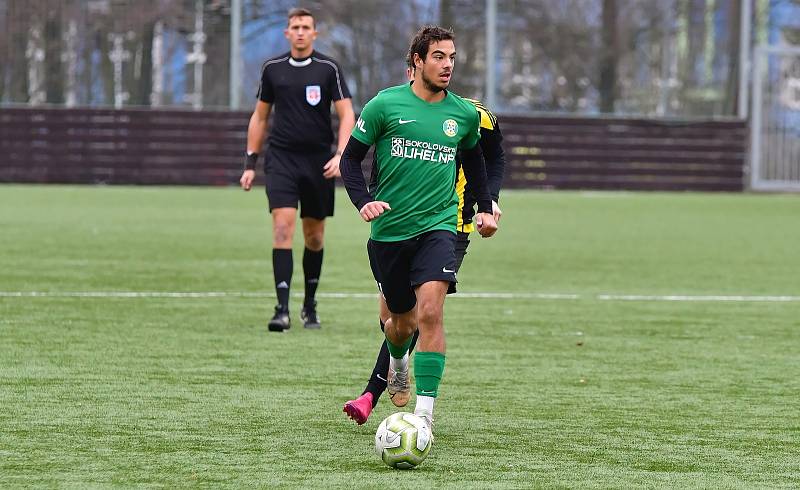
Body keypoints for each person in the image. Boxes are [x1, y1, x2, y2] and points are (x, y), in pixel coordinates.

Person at [339, 25, 498, 433]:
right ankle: (396, 362)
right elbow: (349, 161)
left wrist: (484, 208)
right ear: (417, 62)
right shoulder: (384, 106)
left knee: (430, 311)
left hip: (440, 225)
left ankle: (424, 417)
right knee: (400, 323)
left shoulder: (462, 113)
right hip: (389, 232)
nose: (448, 66)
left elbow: (476, 163)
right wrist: (363, 201)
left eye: (451, 58)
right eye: (439, 57)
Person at [239, 8, 355, 331]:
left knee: (314, 236)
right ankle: (281, 310)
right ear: (287, 33)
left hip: (318, 162)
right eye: (295, 27)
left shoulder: (328, 69)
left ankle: (309, 305)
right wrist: (250, 163)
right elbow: (260, 118)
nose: (301, 32)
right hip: (282, 160)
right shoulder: (272, 69)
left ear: (315, 33)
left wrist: (343, 154)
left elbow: (347, 114)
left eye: (306, 27)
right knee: (282, 229)